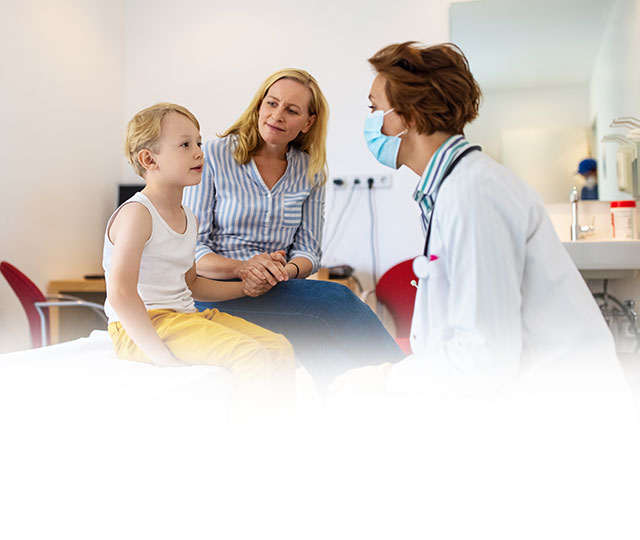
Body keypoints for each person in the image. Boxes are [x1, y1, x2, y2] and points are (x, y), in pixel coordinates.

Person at [335, 42, 620, 394]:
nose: (370, 121)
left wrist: (385, 381)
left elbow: (485, 357)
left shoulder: (472, 193)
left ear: (408, 115)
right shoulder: (451, 188)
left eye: (374, 108)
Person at [183, 69, 403, 393]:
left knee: (325, 353)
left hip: (277, 288)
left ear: (308, 123)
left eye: (292, 110)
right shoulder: (214, 156)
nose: (277, 115)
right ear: (259, 105)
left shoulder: (310, 169)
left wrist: (279, 272)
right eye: (271, 103)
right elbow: (193, 248)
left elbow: (310, 252)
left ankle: (365, 414)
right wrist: (243, 268)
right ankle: (413, 385)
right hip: (217, 293)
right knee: (339, 299)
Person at [103, 102, 295, 413]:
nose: (198, 153)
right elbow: (121, 293)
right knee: (249, 354)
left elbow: (191, 283)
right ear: (148, 159)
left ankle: (287, 430)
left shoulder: (188, 217)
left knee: (279, 347)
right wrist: (159, 355)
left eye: (198, 143)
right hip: (140, 327)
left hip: (184, 318)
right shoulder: (137, 214)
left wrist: (245, 286)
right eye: (185, 145)